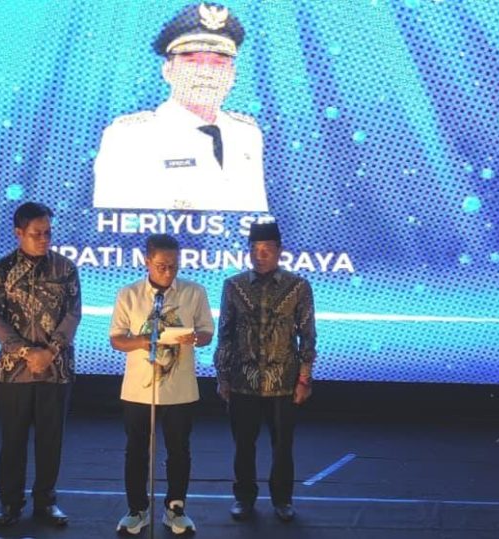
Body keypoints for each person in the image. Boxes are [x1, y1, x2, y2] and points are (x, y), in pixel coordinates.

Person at [93, 2, 268, 212]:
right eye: (192, 62)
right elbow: (115, 222)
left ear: (232, 75)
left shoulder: (247, 135)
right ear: (168, 71)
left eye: (218, 64)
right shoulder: (130, 137)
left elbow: (255, 217)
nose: (205, 73)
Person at [0, 202, 82, 528]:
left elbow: (73, 314)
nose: (44, 239)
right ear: (19, 232)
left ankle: (46, 502)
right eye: (37, 233)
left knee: (50, 440)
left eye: (48, 233)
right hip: (15, 371)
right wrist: (27, 352)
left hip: (56, 369)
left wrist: (50, 351)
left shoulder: (65, 268)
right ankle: (10, 503)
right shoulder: (1, 270)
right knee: (13, 440)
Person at [110, 234, 214, 535]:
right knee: (136, 450)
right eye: (161, 266)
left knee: (179, 450)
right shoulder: (129, 294)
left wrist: (194, 338)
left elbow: (207, 333)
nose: (168, 272)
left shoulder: (194, 292)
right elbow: (116, 339)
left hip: (180, 388)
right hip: (138, 389)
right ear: (147, 261)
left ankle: (175, 509)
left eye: (173, 266)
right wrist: (143, 341)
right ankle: (137, 509)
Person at [213, 221, 317, 522]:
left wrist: (304, 378)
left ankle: (282, 499)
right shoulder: (234, 286)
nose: (260, 256)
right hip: (242, 380)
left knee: (283, 446)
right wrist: (222, 376)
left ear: (279, 251)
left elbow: (307, 335)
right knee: (243, 445)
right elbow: (225, 334)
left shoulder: (298, 287)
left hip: (283, 381)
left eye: (267, 250)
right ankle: (244, 497)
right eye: (255, 250)